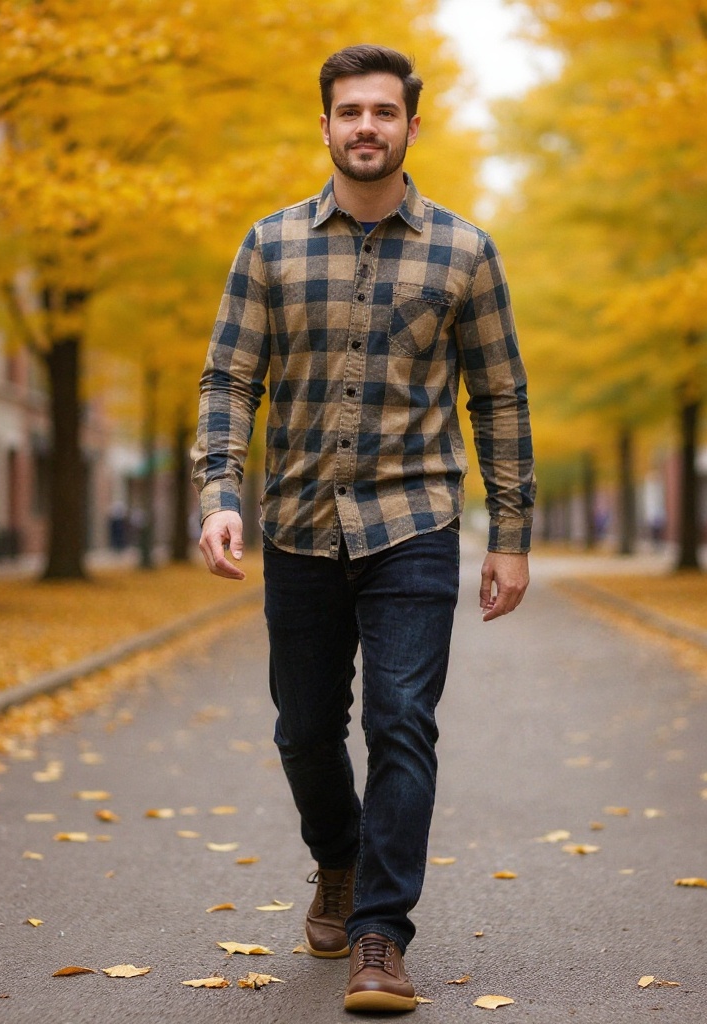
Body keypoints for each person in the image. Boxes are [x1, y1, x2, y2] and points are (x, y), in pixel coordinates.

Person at [192, 44, 535, 1014]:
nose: (367, 127)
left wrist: (509, 532)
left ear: (410, 127)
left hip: (413, 522)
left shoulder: (465, 251)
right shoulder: (268, 245)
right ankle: (335, 859)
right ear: (326, 126)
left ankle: (380, 934)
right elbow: (228, 379)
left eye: (384, 111)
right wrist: (219, 491)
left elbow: (498, 397)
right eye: (350, 112)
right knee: (303, 729)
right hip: (296, 522)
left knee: (401, 723)